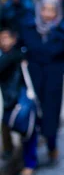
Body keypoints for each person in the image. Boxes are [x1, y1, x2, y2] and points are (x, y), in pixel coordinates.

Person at [17, 0, 64, 164]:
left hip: (53, 77)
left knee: (51, 114)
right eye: (44, 9)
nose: (47, 13)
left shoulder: (63, 29)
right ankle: (30, 159)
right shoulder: (29, 27)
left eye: (51, 10)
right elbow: (23, 47)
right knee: (31, 115)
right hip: (33, 77)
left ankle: (51, 145)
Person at [0, 27, 38, 175]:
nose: (3, 42)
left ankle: (29, 162)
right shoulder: (12, 55)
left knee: (28, 129)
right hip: (7, 100)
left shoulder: (19, 55)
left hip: (21, 98)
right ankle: (11, 153)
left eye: (6, 38)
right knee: (8, 127)